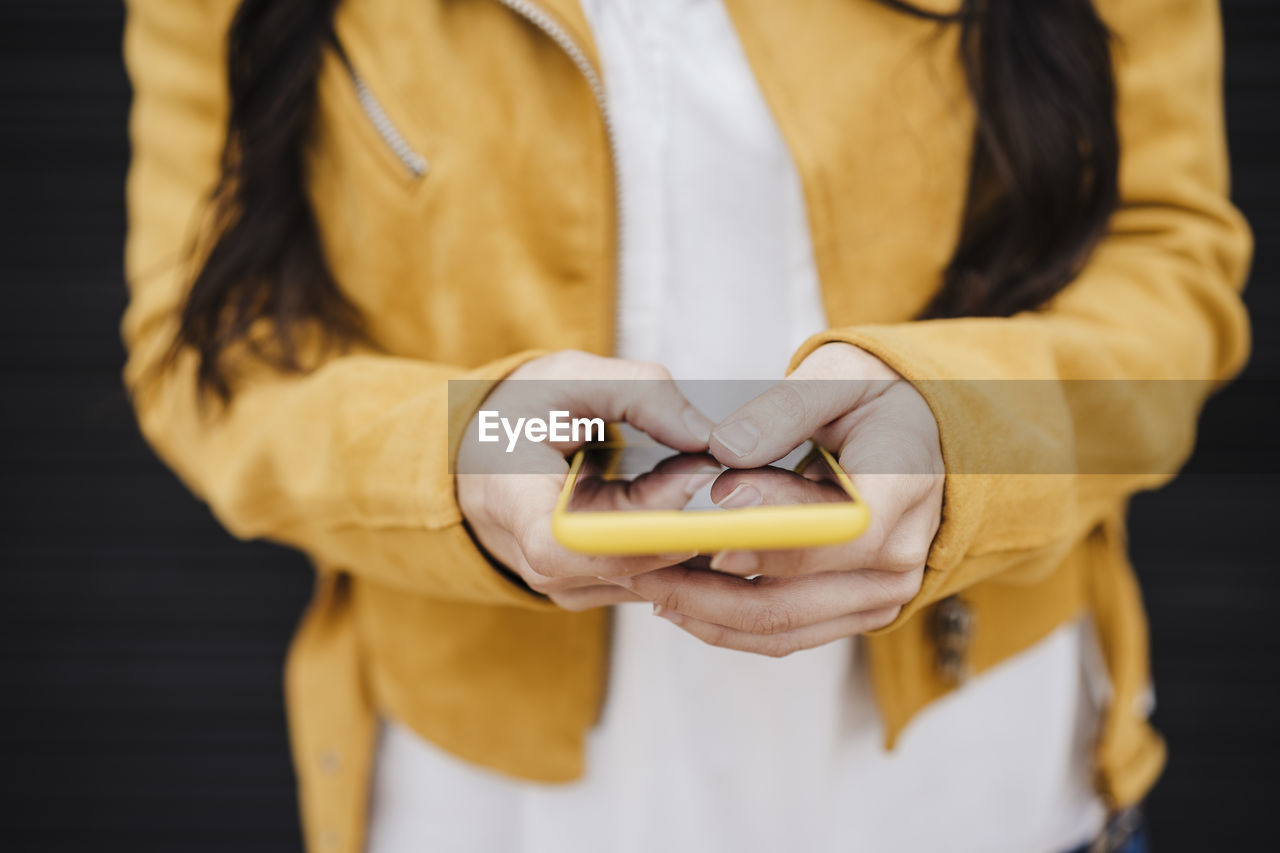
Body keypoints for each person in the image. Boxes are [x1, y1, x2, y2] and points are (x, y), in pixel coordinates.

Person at [122, 0, 1249, 851]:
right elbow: (208, 358)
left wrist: (961, 440)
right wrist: (473, 448)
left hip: (977, 788)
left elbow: (1171, 283)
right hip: (486, 813)